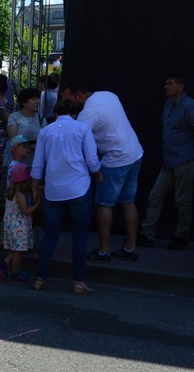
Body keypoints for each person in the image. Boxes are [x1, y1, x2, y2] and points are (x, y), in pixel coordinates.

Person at [61, 82, 144, 263]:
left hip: (116, 159)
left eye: (69, 101)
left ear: (79, 96)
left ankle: (104, 251)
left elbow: (77, 142)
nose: (67, 105)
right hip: (135, 153)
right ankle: (131, 248)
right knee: (129, 202)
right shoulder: (108, 94)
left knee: (104, 205)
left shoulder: (86, 115)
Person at [31, 99, 100, 294]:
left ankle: (40, 277)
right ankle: (78, 281)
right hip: (79, 187)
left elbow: (38, 163)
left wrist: (35, 186)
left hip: (54, 190)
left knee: (50, 235)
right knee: (80, 236)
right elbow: (92, 160)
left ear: (55, 114)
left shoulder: (45, 131)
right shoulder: (82, 128)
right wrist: (98, 173)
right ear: (75, 114)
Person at [138, 75, 194, 250]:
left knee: (182, 199)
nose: (166, 86)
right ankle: (147, 235)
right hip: (169, 161)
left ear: (181, 86)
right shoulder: (168, 105)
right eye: (165, 83)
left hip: (186, 159)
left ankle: (181, 237)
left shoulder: (189, 105)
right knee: (155, 196)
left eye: (170, 84)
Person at [0, 162, 40, 283]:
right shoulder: (20, 195)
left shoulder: (10, 192)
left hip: (11, 224)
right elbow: (26, 211)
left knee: (14, 249)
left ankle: (10, 268)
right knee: (18, 252)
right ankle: (11, 270)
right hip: (19, 227)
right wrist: (37, 205)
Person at [4, 87, 42, 173]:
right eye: (34, 99)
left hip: (34, 163)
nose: (38, 101)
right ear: (24, 102)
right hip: (15, 163)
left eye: (38, 98)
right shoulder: (14, 117)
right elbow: (14, 141)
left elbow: (46, 140)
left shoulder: (40, 118)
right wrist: (34, 146)